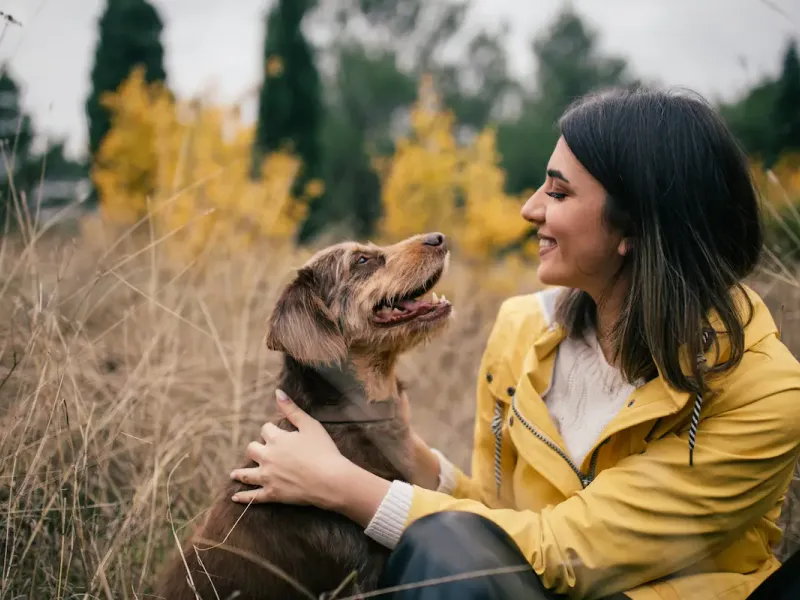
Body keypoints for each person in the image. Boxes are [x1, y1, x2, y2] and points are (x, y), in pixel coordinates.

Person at [228, 87, 800, 599]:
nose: (530, 209)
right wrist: (412, 455)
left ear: (636, 226)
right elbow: (498, 518)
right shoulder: (522, 330)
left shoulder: (764, 394)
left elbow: (563, 549)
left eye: (559, 193)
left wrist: (344, 488)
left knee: (439, 553)